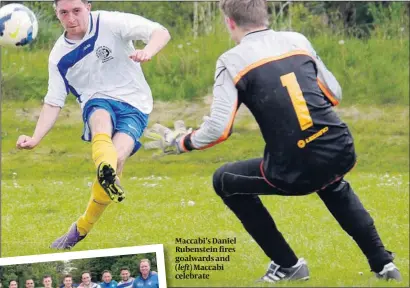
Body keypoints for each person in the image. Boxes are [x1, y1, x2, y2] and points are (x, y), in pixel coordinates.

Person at [144, 0, 402, 283]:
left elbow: (219, 129)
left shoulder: (231, 60)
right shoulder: (297, 40)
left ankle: (288, 265)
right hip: (338, 146)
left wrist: (183, 142)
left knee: (224, 181)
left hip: (295, 165)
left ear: (229, 22)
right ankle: (384, 265)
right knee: (330, 181)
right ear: (264, 15)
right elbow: (334, 93)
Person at [15, 0, 171, 250]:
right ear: (56, 13)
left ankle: (81, 228)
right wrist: (35, 138)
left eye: (76, 11)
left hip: (135, 103)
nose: (71, 18)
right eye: (63, 13)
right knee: (100, 117)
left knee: (117, 157)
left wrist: (148, 51)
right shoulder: (59, 57)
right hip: (96, 100)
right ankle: (106, 172)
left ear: (88, 6)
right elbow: (53, 101)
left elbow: (160, 32)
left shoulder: (110, 22)